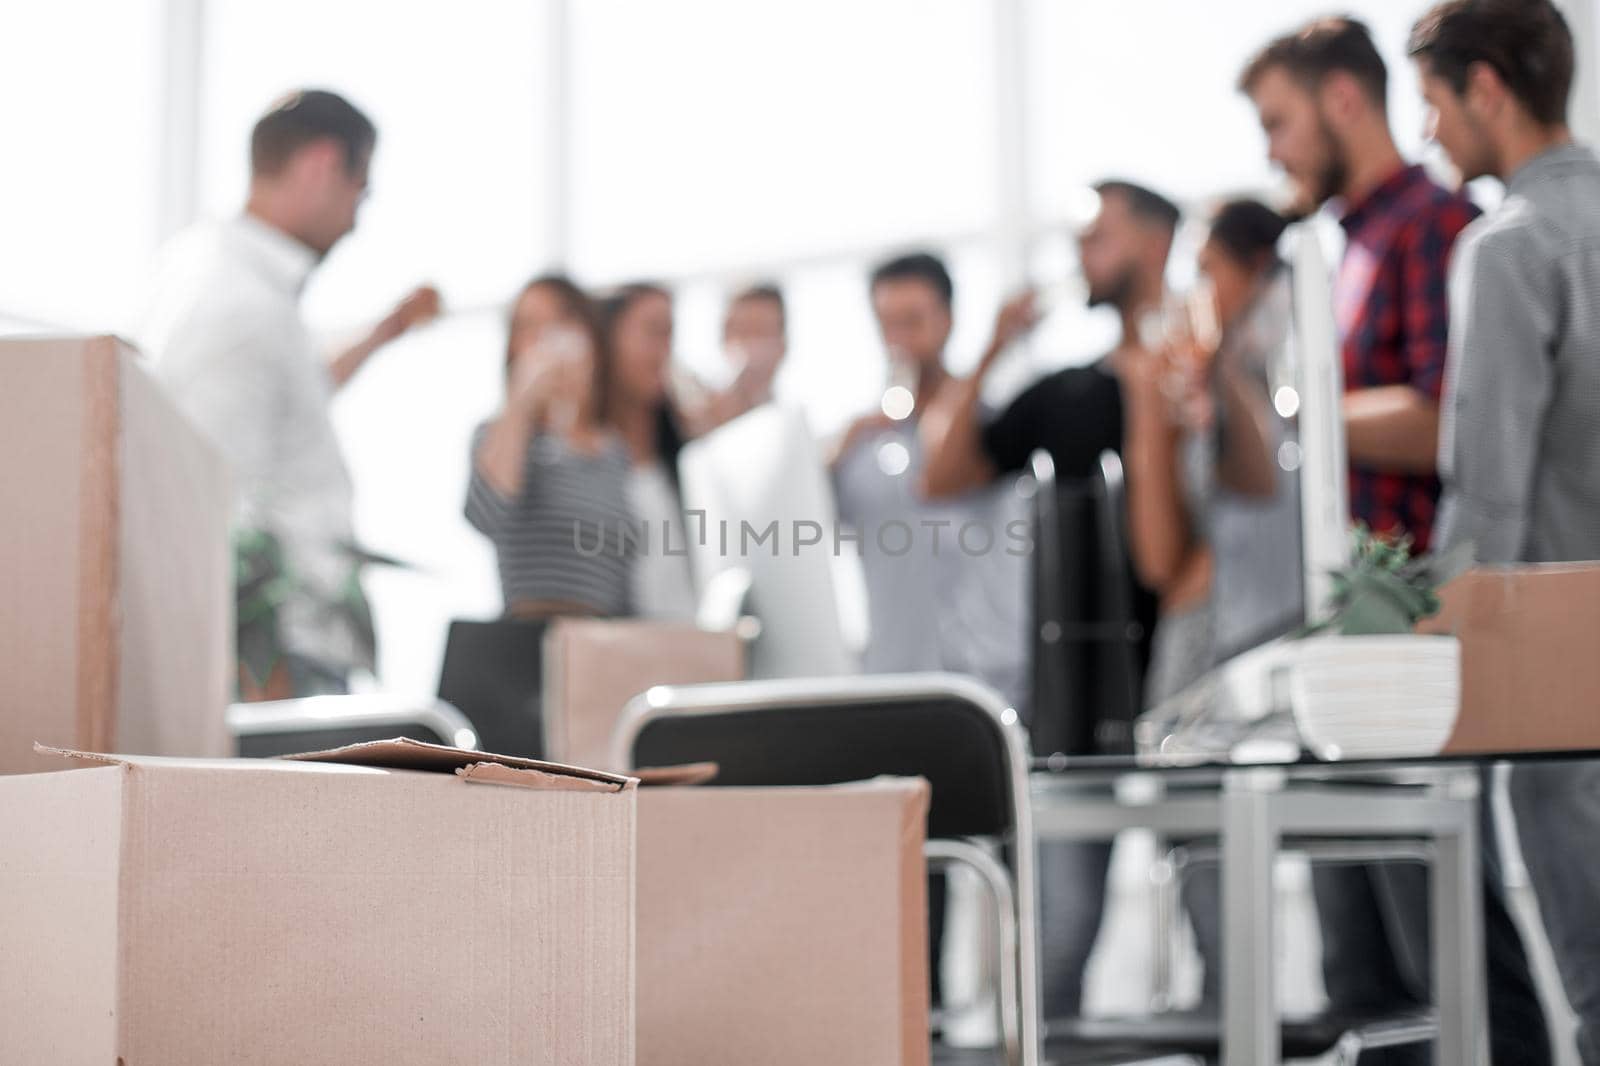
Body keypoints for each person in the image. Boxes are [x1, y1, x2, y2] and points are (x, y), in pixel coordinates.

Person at [1241, 21, 1550, 1064]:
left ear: (1340, 100)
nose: (1271, 150)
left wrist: (1307, 411)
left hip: (1419, 646)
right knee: (1365, 982)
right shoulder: (1346, 248)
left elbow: (1446, 423)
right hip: (1358, 649)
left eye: (1277, 121)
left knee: (1452, 960)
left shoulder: (1436, 227)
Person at [918, 181, 1181, 1021]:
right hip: (1080, 710)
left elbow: (1175, 551)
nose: (1080, 256)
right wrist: (993, 348)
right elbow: (945, 475)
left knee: (1213, 910)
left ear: (1154, 243)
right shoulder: (1068, 395)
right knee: (1058, 937)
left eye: (1098, 237)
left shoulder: (1203, 374)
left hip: (1187, 682)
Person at [1412, 2, 1600, 1060]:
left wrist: (1424, 665)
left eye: (1433, 104)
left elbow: (1484, 502)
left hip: (1568, 710)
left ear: (1487, 88)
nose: (1428, 134)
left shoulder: (1509, 249)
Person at [142, 89, 439, 699]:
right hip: (274, 658)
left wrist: (384, 332)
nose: (357, 218)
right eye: (362, 190)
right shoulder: (237, 301)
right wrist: (257, 662)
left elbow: (290, 397)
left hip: (289, 648)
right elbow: (216, 494)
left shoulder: (236, 285)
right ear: (323, 165)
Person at [1123, 198, 1302, 1009]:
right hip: (1194, 667)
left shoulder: (1293, 382)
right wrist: (1150, 412)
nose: (1196, 293)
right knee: (1207, 910)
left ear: (1257, 274)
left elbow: (1259, 485)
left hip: (1274, 667)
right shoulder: (1194, 396)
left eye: (1208, 272)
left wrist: (1221, 379)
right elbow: (1161, 558)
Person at [467, 275, 634, 619]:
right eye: (529, 326)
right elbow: (486, 514)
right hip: (530, 641)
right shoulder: (500, 436)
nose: (547, 338)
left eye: (560, 320)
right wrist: (522, 401)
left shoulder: (615, 452)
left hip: (604, 644)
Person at [597, 283, 700, 622]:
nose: (664, 351)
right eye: (654, 332)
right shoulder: (584, 460)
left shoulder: (686, 457)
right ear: (607, 340)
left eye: (670, 335)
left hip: (694, 649)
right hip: (621, 653)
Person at [677, 282, 788, 435]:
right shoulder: (689, 422)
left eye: (760, 331)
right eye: (742, 330)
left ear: (782, 346)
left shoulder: (788, 425)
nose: (750, 345)